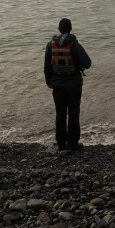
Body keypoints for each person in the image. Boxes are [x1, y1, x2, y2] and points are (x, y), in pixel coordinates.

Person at [44, 18, 92, 151]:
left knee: (60, 113)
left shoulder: (50, 45)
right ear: (70, 29)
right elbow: (87, 63)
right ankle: (73, 143)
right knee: (73, 113)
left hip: (57, 85)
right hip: (74, 84)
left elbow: (47, 65)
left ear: (59, 29)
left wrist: (49, 81)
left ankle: (61, 143)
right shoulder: (74, 45)